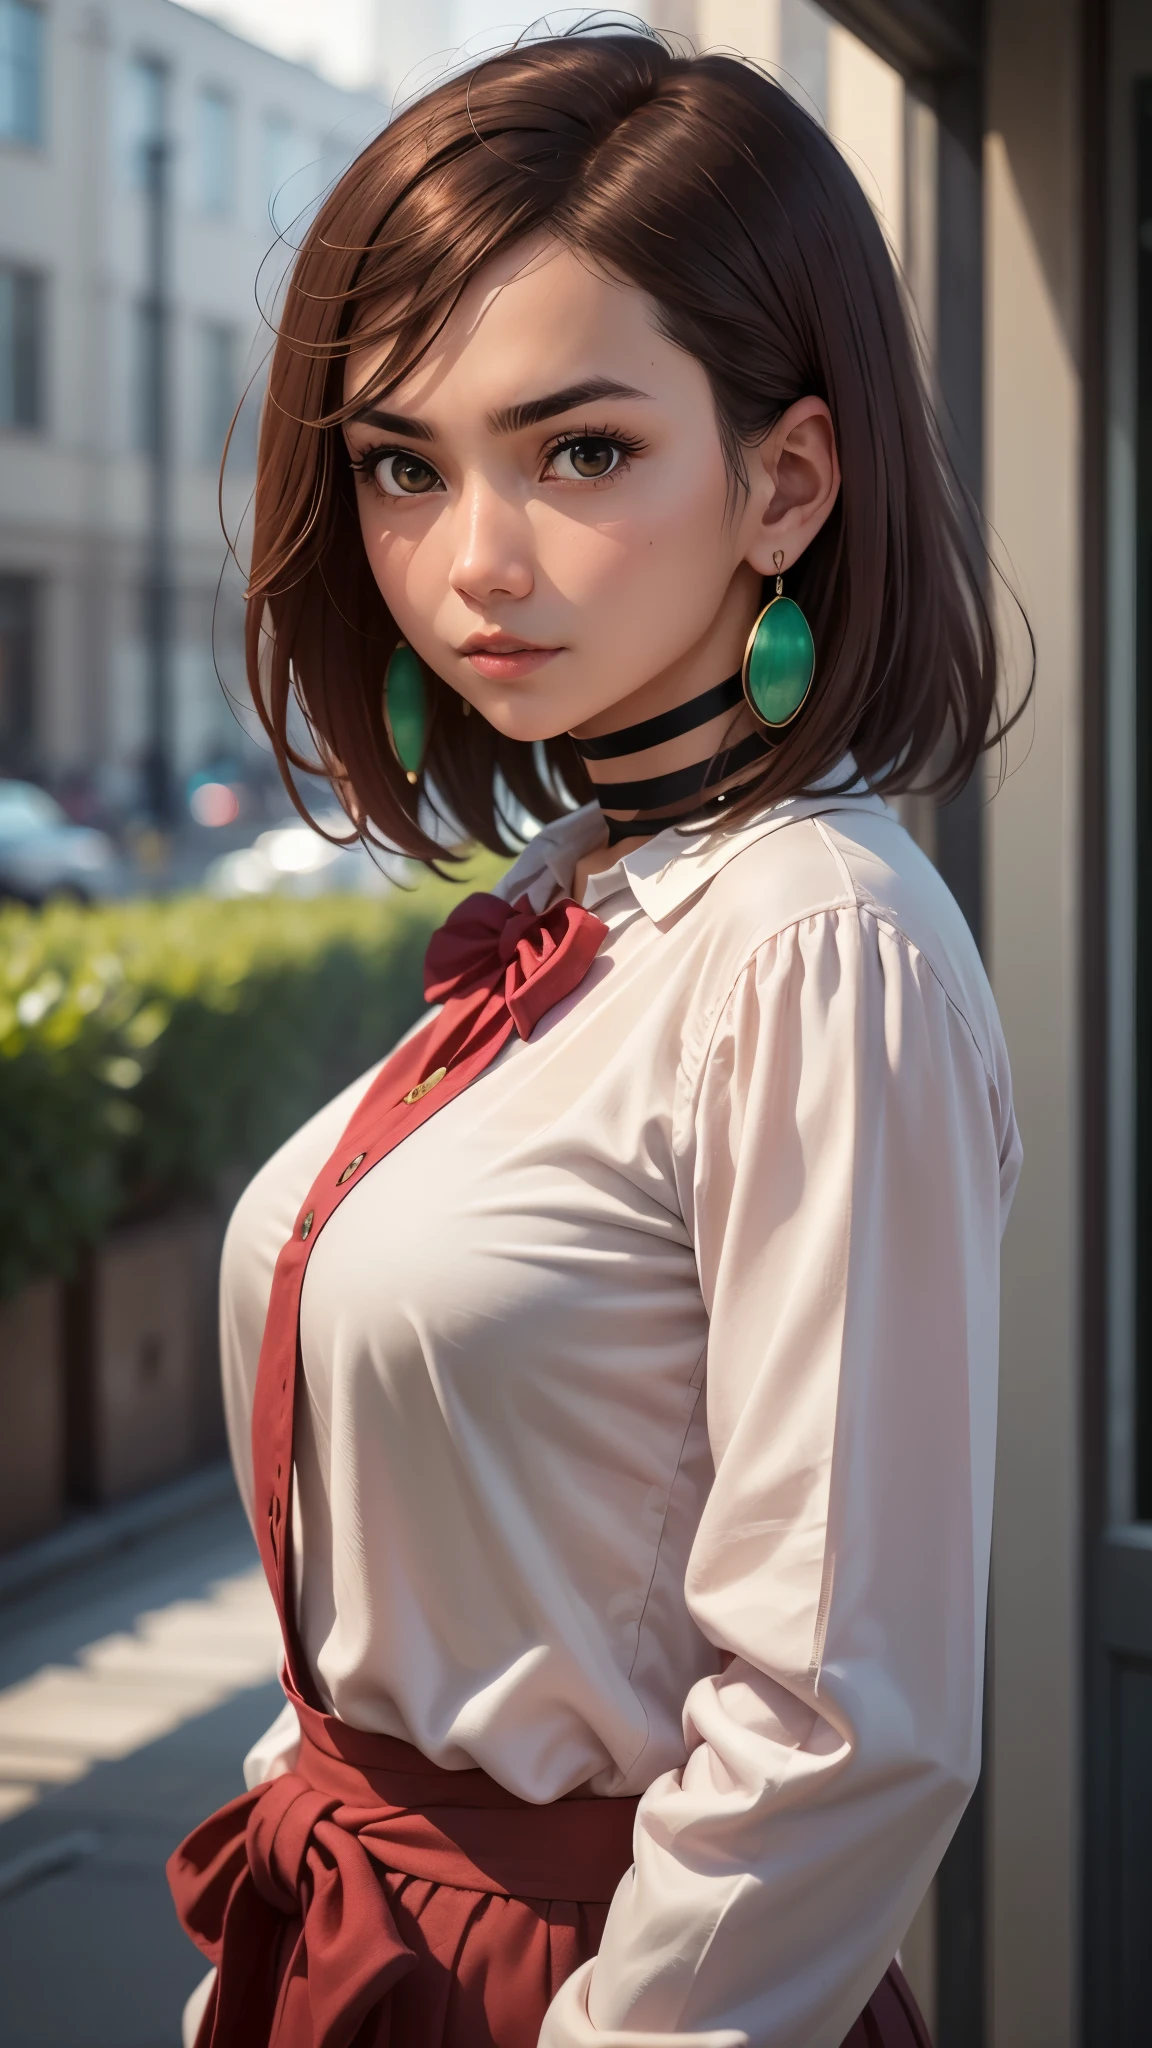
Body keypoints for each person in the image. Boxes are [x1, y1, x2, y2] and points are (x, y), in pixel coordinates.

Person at [168, 28, 1023, 2048]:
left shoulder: (818, 944)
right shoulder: (595, 891)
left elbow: (845, 1719)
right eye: (404, 464)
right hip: (365, 1960)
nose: (471, 560)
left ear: (787, 477)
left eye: (578, 452)